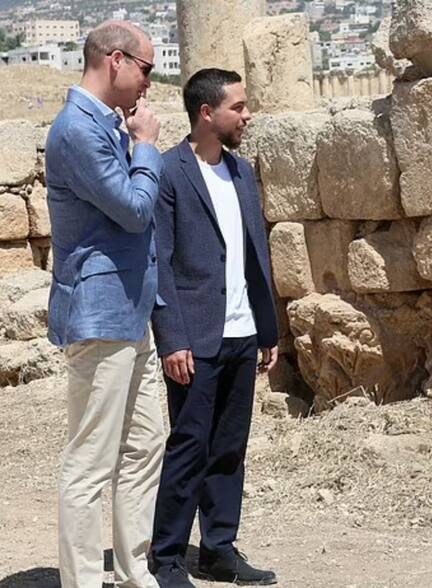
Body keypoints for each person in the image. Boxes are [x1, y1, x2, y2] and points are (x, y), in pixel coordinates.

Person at [149, 68, 280, 588]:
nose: (247, 115)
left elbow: (254, 254)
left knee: (229, 448)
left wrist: (267, 329)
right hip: (194, 338)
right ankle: (167, 557)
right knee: (189, 447)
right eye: (238, 107)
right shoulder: (168, 172)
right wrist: (172, 338)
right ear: (207, 113)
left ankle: (219, 550)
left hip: (242, 333)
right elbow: (159, 262)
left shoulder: (242, 172)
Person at [46, 20, 163, 588]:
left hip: (129, 310)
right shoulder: (77, 130)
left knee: (145, 444)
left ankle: (134, 571)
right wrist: (147, 146)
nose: (150, 82)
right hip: (100, 312)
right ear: (116, 60)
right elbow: (135, 210)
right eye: (147, 69)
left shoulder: (103, 125)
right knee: (91, 460)